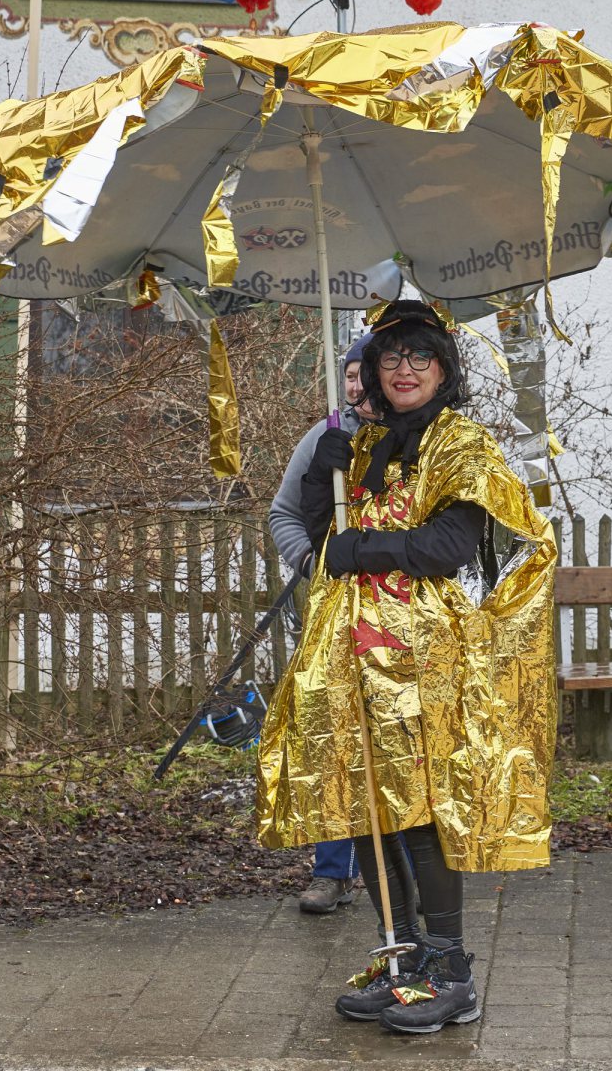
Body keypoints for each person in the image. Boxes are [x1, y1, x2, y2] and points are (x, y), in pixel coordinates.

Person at [256, 300, 557, 1035]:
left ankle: (450, 972)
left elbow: (445, 546)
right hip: (345, 649)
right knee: (362, 802)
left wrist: (356, 549)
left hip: (421, 656)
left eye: (420, 357)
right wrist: (322, 482)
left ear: (443, 368)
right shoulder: (359, 444)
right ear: (373, 370)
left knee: (418, 808)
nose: (404, 370)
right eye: (390, 358)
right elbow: (319, 538)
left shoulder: (464, 444)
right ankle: (402, 960)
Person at [268, 332, 376, 913]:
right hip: (335, 610)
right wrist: (314, 562)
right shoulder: (324, 436)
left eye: (365, 373)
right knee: (335, 735)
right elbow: (283, 513)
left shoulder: (423, 437)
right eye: (349, 375)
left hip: (400, 615)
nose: (356, 385)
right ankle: (332, 872)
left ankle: (408, 874)